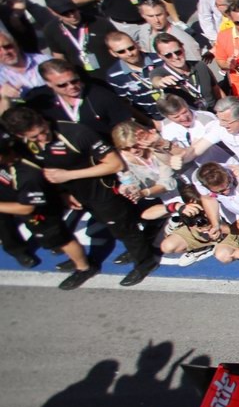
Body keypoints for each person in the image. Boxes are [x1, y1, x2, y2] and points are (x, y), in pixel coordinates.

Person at [2, 106, 159, 285]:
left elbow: (115, 164)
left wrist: (68, 176)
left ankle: (145, 261)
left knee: (124, 228)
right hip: (77, 194)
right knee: (109, 224)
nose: (42, 138)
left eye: (43, 132)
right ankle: (137, 246)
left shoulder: (76, 133)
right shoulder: (23, 145)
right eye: (34, 137)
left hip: (102, 191)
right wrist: (63, 191)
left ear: (42, 119)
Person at [0, 130, 97, 289]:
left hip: (42, 215)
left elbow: (26, 208)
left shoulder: (27, 175)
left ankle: (84, 267)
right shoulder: (12, 159)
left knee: (63, 240)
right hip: (23, 207)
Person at [24, 58, 132, 138]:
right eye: (62, 85)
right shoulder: (40, 100)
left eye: (74, 81)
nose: (72, 87)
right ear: (48, 84)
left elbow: (125, 127)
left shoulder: (102, 95)